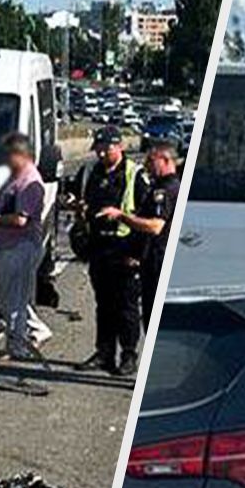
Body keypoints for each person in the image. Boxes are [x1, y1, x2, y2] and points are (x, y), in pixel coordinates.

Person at [77, 126, 151, 376]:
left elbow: (146, 217)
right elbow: (87, 203)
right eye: (97, 149)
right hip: (100, 247)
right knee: (104, 304)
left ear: (119, 147)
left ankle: (128, 354)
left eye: (105, 149)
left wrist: (138, 254)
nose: (100, 154)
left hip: (126, 248)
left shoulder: (134, 174)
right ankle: (104, 353)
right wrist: (80, 208)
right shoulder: (93, 172)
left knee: (126, 306)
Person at [0, 132, 49, 361]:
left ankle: (18, 346)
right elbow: (6, 199)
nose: (4, 160)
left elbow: (20, 220)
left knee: (14, 300)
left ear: (20, 155)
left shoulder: (30, 182)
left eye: (7, 156)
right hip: (8, 244)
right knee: (9, 297)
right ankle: (35, 331)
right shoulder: (16, 177)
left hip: (21, 245)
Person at [104, 138, 180, 331]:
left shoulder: (165, 190)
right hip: (149, 259)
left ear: (165, 159)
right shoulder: (159, 186)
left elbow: (155, 226)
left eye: (150, 160)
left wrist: (122, 216)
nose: (146, 165)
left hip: (158, 261)